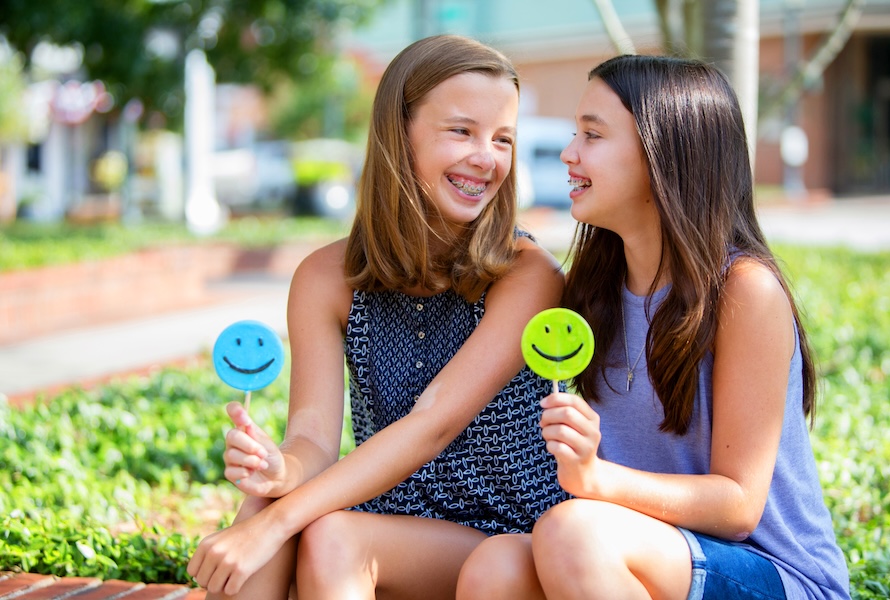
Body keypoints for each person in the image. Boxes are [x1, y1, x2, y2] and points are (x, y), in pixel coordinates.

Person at [187, 34, 569, 599]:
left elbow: (433, 423)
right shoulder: (325, 278)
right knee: (268, 502)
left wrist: (275, 524)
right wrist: (279, 470)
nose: (486, 158)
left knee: (316, 533)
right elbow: (312, 440)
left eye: (502, 139)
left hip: (504, 534)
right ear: (399, 132)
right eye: (461, 131)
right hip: (391, 525)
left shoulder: (526, 271)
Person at [456, 55, 850, 600]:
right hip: (643, 553)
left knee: (572, 531)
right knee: (494, 565)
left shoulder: (745, 291)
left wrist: (597, 479)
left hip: (774, 573)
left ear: (665, 154)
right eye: (575, 134)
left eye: (593, 135)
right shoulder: (591, 291)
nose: (569, 153)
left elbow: (739, 506)